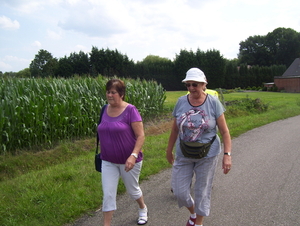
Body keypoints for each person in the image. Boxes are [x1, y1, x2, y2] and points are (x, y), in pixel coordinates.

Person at [166, 68, 232, 226]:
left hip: (208, 154)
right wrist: (169, 150)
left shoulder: (213, 103)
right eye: (188, 84)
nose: (191, 88)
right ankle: (194, 213)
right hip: (184, 152)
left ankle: (199, 223)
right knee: (179, 191)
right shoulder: (181, 101)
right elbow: (175, 129)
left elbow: (224, 131)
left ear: (204, 84)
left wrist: (227, 154)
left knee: (202, 191)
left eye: (194, 84)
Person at [97, 79, 148, 226]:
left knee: (133, 191)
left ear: (121, 94)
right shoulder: (104, 109)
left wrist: (133, 155)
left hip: (129, 161)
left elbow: (141, 136)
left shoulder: (130, 110)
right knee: (108, 194)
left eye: (113, 92)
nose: (110, 95)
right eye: (108, 92)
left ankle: (142, 208)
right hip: (108, 160)